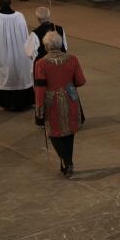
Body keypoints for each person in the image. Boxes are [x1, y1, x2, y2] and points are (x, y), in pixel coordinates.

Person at [34, 31, 86, 177]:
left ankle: (66, 161)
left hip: (52, 103)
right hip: (70, 99)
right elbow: (81, 81)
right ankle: (68, 162)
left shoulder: (41, 63)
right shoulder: (72, 59)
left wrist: (39, 108)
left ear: (46, 46)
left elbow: (40, 89)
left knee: (54, 133)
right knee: (69, 132)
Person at [0, 0, 33, 110]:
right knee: (20, 73)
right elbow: (26, 34)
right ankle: (25, 101)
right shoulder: (20, 15)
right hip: (20, 53)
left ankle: (8, 103)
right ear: (10, 3)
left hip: (2, 53)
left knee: (5, 73)